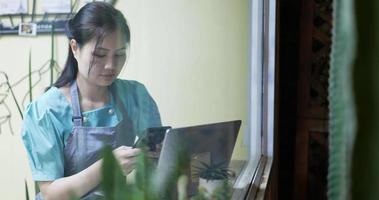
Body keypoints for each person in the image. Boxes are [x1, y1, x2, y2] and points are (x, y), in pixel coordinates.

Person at [21, 2, 161, 200]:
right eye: (99, 54)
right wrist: (107, 165)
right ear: (75, 48)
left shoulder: (135, 96)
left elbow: (159, 157)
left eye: (119, 55)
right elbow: (51, 193)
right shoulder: (47, 110)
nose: (111, 66)